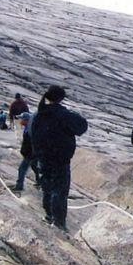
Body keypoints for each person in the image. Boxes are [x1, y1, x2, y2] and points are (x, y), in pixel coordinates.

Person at [30, 85, 87, 232]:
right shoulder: (63, 114)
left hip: (42, 158)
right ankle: (59, 222)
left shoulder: (39, 114)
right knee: (60, 190)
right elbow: (81, 127)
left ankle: (49, 215)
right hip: (60, 159)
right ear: (61, 98)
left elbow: (31, 134)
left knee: (47, 187)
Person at [13, 112, 40, 191]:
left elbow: (32, 144)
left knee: (22, 169)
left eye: (21, 119)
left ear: (26, 120)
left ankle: (19, 186)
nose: (20, 120)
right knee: (34, 166)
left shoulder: (30, 130)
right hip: (31, 154)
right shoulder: (28, 128)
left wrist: (29, 153)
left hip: (30, 154)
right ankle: (40, 181)